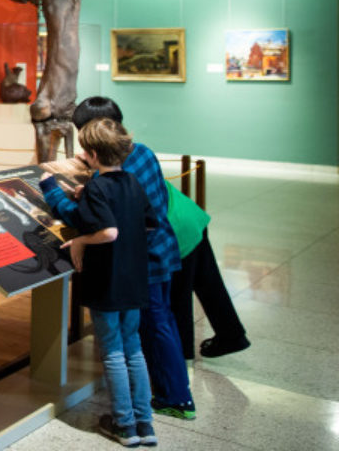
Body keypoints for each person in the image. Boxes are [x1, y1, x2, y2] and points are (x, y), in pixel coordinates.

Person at [41, 96, 197, 422]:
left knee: (155, 325)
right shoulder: (142, 154)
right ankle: (167, 392)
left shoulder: (106, 177)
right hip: (162, 249)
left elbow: (92, 219)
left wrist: (56, 192)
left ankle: (175, 398)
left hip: (143, 259)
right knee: (160, 321)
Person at [43, 117, 157, 447]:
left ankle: (123, 424)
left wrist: (80, 237)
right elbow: (149, 224)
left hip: (107, 282)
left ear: (91, 154)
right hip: (134, 281)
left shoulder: (96, 187)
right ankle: (143, 423)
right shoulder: (133, 182)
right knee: (133, 349)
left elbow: (107, 231)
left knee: (112, 353)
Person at [165, 180, 251, 358]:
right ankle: (232, 334)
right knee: (208, 281)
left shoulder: (104, 172)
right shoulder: (137, 153)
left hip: (175, 230)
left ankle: (181, 351)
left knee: (178, 293)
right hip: (190, 216)